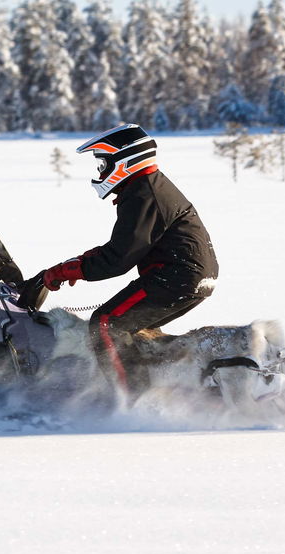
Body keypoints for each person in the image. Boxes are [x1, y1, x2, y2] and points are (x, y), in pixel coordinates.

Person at [23, 124, 219, 400]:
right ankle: (163, 389)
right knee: (136, 331)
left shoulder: (144, 193)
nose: (101, 172)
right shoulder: (146, 188)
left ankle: (131, 399)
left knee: (106, 324)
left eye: (104, 163)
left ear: (125, 159)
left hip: (176, 276)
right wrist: (73, 265)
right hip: (187, 276)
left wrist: (71, 270)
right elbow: (124, 247)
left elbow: (118, 259)